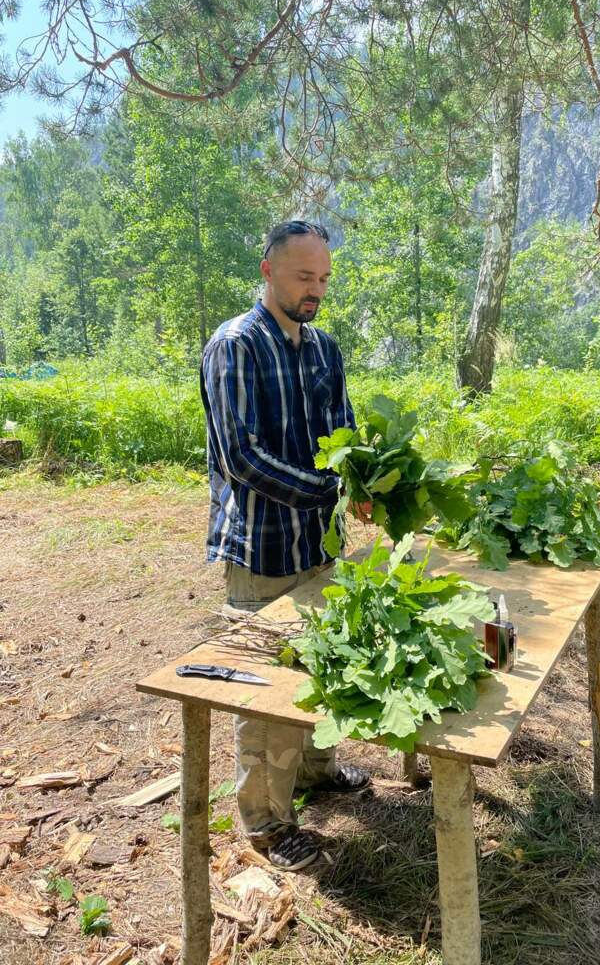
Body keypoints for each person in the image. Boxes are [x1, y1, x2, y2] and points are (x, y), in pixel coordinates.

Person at [200, 220, 370, 871]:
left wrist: (363, 477)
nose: (316, 291)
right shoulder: (235, 345)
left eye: (324, 278)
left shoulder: (324, 348)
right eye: (304, 277)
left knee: (322, 662)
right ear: (268, 270)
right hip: (262, 547)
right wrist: (324, 491)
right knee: (268, 688)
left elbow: (344, 429)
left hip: (319, 542)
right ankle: (266, 824)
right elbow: (241, 457)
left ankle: (315, 772)